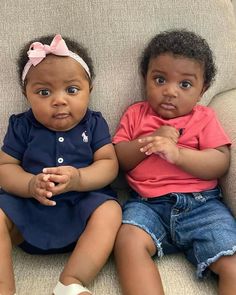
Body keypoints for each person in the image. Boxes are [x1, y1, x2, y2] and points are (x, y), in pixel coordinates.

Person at [113, 29, 236, 295]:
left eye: (185, 84)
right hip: (147, 205)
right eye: (159, 79)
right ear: (145, 79)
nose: (170, 92)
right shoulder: (136, 114)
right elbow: (120, 159)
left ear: (202, 90)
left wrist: (178, 154)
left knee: (232, 261)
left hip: (203, 206)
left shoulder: (204, 118)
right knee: (127, 242)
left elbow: (220, 162)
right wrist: (149, 141)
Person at [0, 34, 122, 295]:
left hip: (81, 208)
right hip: (28, 209)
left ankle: (71, 281)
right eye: (44, 92)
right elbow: (6, 168)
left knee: (111, 211)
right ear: (26, 94)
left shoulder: (94, 123)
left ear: (90, 89)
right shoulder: (21, 126)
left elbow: (109, 163)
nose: (59, 100)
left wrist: (79, 178)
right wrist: (30, 184)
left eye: (72, 90)